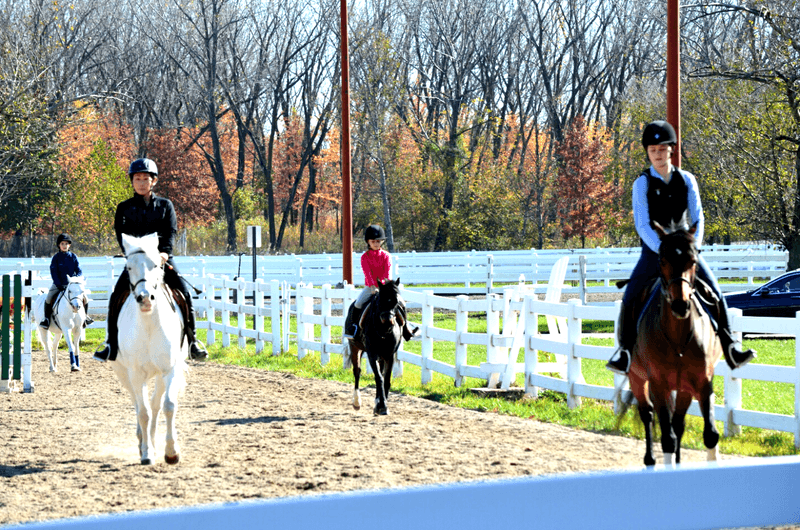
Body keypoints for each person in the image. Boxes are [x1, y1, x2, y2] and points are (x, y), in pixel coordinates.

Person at [606, 120, 756, 375]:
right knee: (631, 296)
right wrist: (663, 249)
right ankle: (626, 352)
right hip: (654, 253)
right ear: (648, 152)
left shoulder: (687, 180)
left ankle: (731, 347)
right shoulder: (641, 184)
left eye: (662, 149)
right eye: (653, 150)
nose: (658, 154)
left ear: (671, 150)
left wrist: (692, 249)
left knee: (716, 293)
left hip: (686, 252)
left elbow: (698, 218)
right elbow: (643, 225)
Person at [93, 157, 208, 362]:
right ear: (132, 181)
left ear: (153, 181)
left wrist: (165, 252)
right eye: (137, 178)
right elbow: (122, 235)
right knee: (116, 295)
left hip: (161, 259)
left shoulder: (166, 205)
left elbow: (170, 232)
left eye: (145, 178)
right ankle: (111, 343)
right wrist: (131, 253)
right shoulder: (124, 208)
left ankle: (192, 342)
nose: (141, 182)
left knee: (185, 292)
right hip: (137, 262)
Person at [343, 224, 418, 341]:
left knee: (402, 303)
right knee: (357, 304)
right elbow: (368, 273)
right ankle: (353, 328)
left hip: (385, 287)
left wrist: (382, 286)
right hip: (370, 286)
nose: (376, 244)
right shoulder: (365, 257)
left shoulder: (386, 256)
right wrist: (373, 286)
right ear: (368, 242)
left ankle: (406, 328)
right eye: (373, 241)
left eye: (378, 241)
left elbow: (387, 273)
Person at [40, 233, 93, 329]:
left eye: (66, 244)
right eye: (62, 244)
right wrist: (58, 284)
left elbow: (79, 270)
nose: (64, 246)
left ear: (69, 245)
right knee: (48, 298)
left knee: (85, 298)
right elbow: (54, 272)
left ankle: (85, 318)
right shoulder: (56, 258)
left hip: (72, 284)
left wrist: (76, 278)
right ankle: (46, 319)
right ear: (59, 245)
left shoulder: (73, 257)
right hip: (58, 284)